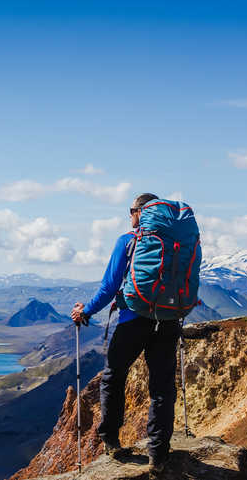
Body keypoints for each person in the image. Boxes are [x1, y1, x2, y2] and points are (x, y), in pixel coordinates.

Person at [70, 192, 182, 478]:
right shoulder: (178, 243)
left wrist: (86, 312)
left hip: (134, 320)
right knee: (162, 389)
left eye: (130, 210)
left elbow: (109, 287)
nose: (129, 216)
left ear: (139, 213)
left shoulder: (129, 241)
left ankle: (111, 441)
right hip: (168, 322)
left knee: (113, 376)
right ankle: (158, 455)